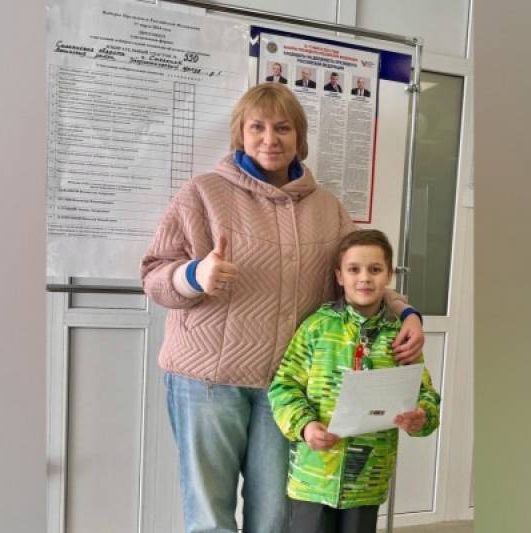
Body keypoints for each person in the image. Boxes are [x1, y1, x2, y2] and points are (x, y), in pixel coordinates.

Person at [141, 83, 425, 533]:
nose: (270, 139)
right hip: (207, 381)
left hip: (285, 387)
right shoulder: (202, 193)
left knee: (274, 517)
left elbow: (356, 272)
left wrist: (406, 312)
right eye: (257, 127)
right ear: (240, 134)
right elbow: (154, 274)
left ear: (299, 136)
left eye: (283, 128)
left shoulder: (327, 208)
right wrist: (195, 275)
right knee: (209, 516)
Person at [268, 229, 440, 533]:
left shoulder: (399, 337)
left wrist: (422, 417)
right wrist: (305, 426)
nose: (364, 278)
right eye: (354, 269)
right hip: (313, 476)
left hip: (367, 480)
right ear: (339, 276)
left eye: (375, 269)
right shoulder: (316, 328)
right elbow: (284, 385)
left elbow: (424, 393)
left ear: (389, 275)